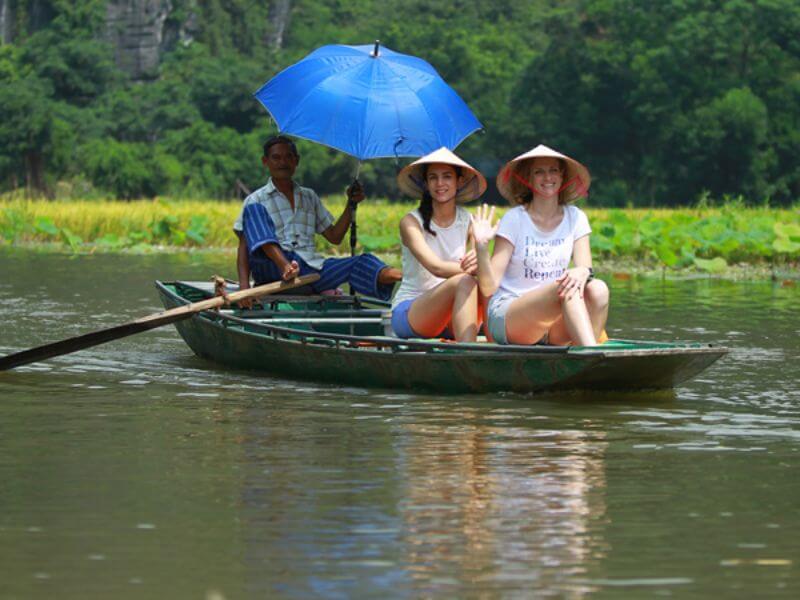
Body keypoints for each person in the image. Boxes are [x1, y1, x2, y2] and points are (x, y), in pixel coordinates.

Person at [234, 135, 402, 303]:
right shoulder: (255, 199)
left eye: (288, 157)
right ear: (266, 162)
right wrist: (244, 290)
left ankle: (406, 275)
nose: (283, 163)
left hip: (310, 269)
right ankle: (285, 266)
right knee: (253, 210)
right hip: (271, 270)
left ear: (296, 161)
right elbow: (243, 249)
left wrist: (350, 204)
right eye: (276, 158)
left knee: (361, 261)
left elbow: (335, 237)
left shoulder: (309, 196)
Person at [471, 144, 609, 346]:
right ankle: (592, 356)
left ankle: (583, 356)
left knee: (598, 289)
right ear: (528, 179)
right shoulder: (514, 219)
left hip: (555, 315)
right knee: (565, 288)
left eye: (553, 171)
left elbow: (584, 269)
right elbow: (489, 287)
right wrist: (481, 247)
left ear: (562, 176)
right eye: (539, 172)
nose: (547, 178)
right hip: (510, 315)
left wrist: (583, 272)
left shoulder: (576, 217)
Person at [391, 147, 487, 342]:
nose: (440, 183)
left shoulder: (469, 221)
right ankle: (468, 356)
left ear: (459, 181)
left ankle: (492, 347)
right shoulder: (411, 222)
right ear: (426, 183)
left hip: (454, 313)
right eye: (433, 177)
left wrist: (481, 259)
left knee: (484, 285)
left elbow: (478, 265)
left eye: (447, 177)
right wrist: (476, 269)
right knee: (467, 280)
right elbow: (437, 268)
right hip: (413, 311)